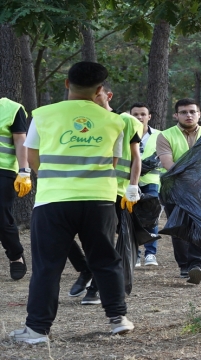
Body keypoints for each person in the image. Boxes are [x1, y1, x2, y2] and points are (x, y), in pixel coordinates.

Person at [10, 62, 134, 344]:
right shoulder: (115, 121)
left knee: (47, 266)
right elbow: (113, 162)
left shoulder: (42, 115)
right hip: (99, 200)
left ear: (67, 83)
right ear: (100, 89)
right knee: (106, 260)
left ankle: (37, 330)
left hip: (54, 200)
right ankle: (118, 319)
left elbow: (32, 158)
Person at [77, 82, 142, 305]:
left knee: (105, 240)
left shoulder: (125, 121)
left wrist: (133, 186)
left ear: (108, 96)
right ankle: (86, 271)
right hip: (86, 189)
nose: (94, 100)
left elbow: (135, 158)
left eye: (98, 96)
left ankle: (95, 289)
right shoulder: (85, 123)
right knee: (84, 238)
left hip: (116, 190)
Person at [157, 98, 201, 285]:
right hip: (174, 188)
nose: (189, 115)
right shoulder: (165, 135)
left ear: (199, 114)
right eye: (184, 112)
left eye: (192, 112)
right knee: (178, 227)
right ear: (176, 115)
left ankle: (196, 265)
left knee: (199, 225)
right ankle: (184, 265)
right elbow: (168, 164)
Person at [0, 97, 30, 280]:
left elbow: (20, 141)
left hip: (3, 170)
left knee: (2, 217)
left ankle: (15, 255)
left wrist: (24, 171)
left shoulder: (12, 109)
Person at [131, 102, 162, 266]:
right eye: (135, 114)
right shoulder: (124, 133)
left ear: (149, 117)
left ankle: (151, 253)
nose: (139, 117)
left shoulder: (159, 135)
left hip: (151, 181)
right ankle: (135, 254)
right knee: (131, 217)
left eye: (143, 114)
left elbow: (163, 155)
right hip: (129, 181)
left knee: (152, 217)